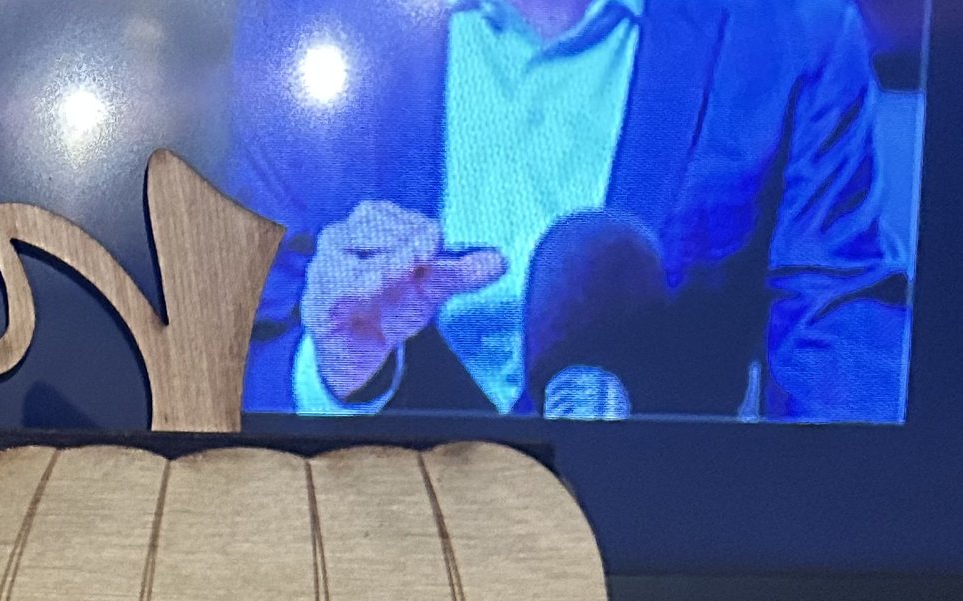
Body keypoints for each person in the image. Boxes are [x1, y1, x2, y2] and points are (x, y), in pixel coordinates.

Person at [225, 0, 912, 421]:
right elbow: (240, 350)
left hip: (655, 552)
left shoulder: (793, 31)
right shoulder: (308, 24)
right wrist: (336, 370)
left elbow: (837, 348)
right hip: (382, 536)